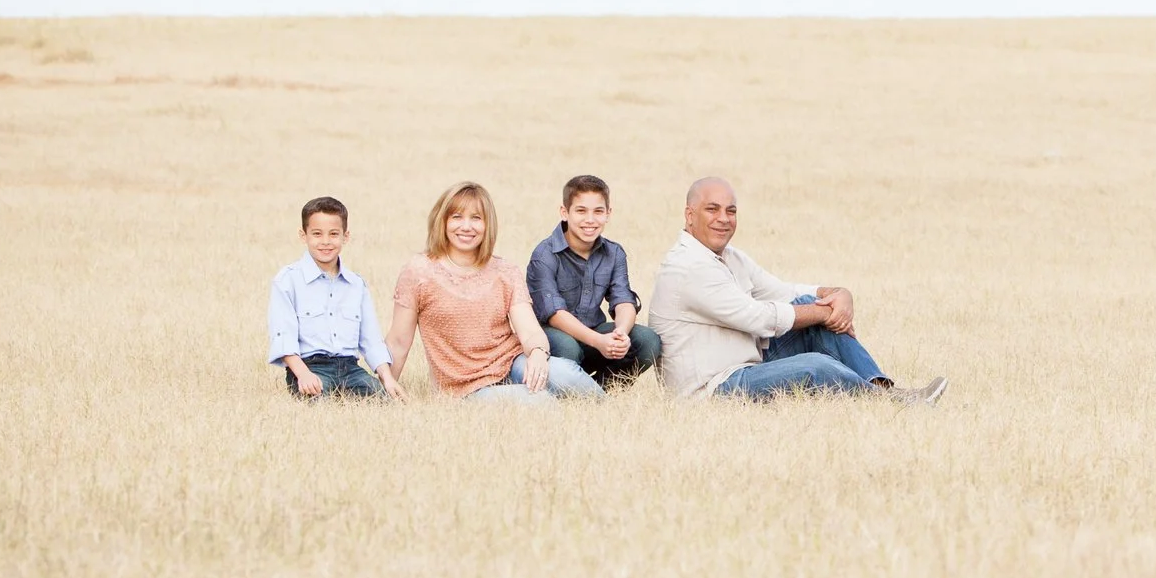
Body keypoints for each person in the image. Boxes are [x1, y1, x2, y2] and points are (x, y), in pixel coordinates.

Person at [647, 176, 946, 403]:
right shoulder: (688, 267)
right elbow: (757, 318)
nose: (723, 219)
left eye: (731, 210)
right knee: (815, 365)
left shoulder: (730, 257)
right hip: (713, 388)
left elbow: (782, 291)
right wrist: (822, 311)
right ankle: (887, 403)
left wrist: (836, 294)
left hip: (744, 364)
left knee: (807, 305)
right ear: (689, 215)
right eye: (712, 209)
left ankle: (881, 386)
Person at [388, 183, 602, 404]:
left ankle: (604, 411)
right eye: (457, 217)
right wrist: (384, 387)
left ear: (487, 224)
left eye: (476, 218)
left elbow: (529, 331)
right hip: (464, 386)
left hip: (511, 362)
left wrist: (538, 353)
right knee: (541, 402)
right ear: (442, 221)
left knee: (565, 373)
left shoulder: (505, 271)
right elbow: (398, 341)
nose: (467, 226)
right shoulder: (419, 271)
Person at [525, 174, 660, 389]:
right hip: (554, 337)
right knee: (569, 348)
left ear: (608, 214)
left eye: (598, 211)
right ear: (564, 213)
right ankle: (571, 390)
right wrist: (599, 341)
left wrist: (621, 334)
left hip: (595, 332)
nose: (590, 220)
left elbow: (623, 300)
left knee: (647, 340)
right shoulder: (545, 254)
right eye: (581, 211)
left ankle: (603, 390)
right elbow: (555, 315)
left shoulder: (613, 253)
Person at [267, 196, 404, 400]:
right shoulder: (288, 280)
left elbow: (371, 339)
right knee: (317, 402)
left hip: (351, 369)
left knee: (384, 402)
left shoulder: (356, 284)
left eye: (333, 234)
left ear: (345, 236)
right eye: (316, 234)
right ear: (303, 235)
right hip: (310, 367)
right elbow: (283, 335)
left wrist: (388, 378)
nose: (325, 242)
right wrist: (303, 374)